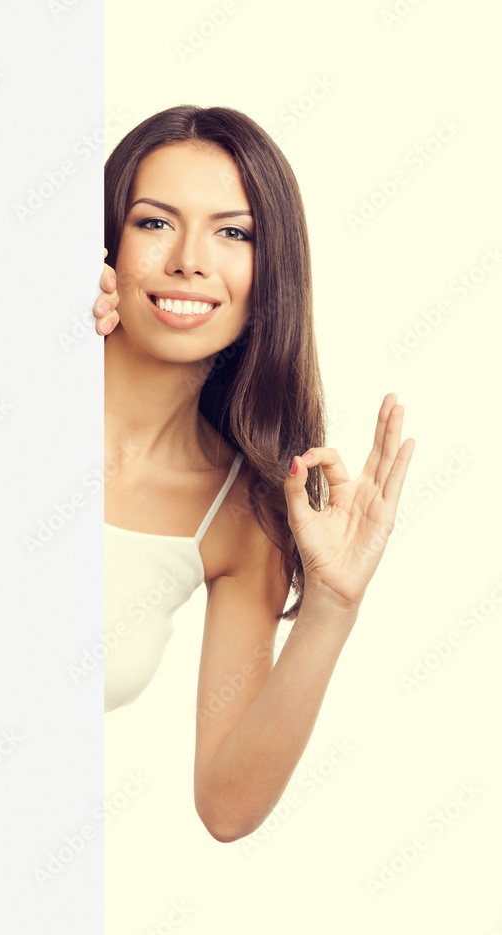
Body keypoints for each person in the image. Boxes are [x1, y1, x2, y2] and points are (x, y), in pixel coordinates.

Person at [93, 105, 415, 843]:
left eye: (233, 233)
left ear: (271, 274)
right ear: (105, 242)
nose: (190, 261)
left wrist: (332, 604)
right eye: (153, 222)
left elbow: (226, 805)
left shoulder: (239, 514)